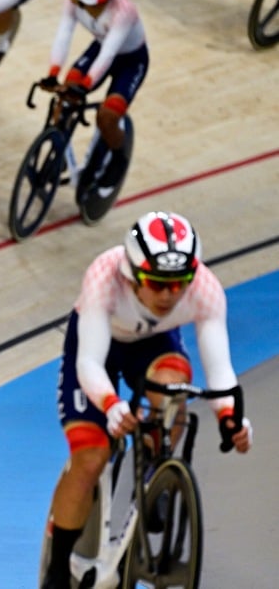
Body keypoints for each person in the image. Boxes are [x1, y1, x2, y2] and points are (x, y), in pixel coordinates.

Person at [39, 211, 253, 588]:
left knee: (174, 390)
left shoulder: (204, 288)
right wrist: (110, 404)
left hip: (152, 345)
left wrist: (230, 417)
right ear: (133, 274)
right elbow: (88, 362)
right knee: (91, 456)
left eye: (179, 283)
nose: (170, 294)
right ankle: (58, 569)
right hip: (97, 345)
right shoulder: (104, 277)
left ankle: (156, 472)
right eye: (157, 283)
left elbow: (220, 373)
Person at [40, 0, 148, 187]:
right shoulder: (73, 4)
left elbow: (109, 54)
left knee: (106, 117)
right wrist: (53, 72)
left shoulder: (124, 12)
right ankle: (59, 152)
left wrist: (86, 85)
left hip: (130, 61)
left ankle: (118, 159)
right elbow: (63, 34)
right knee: (65, 94)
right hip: (100, 48)